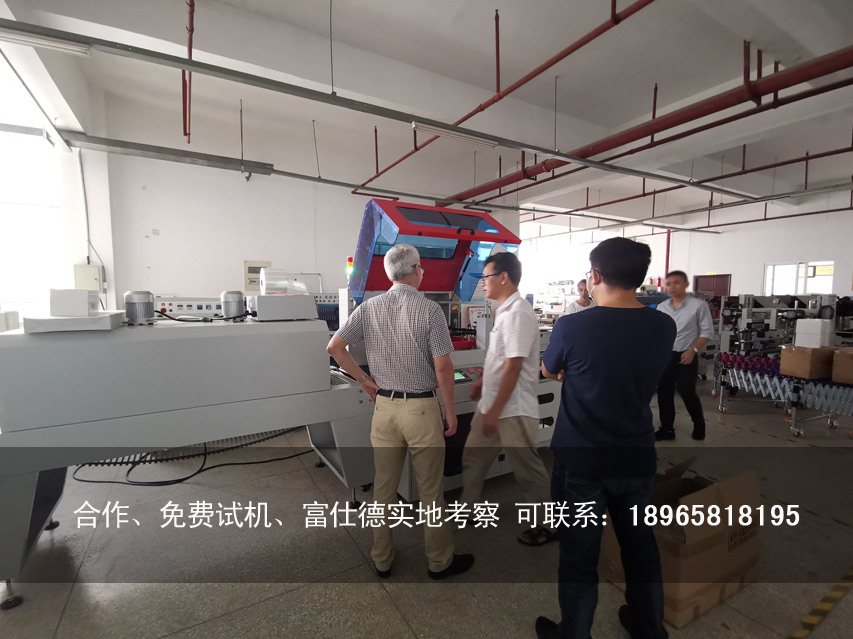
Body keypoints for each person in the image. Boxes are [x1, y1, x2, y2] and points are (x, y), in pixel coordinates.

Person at [535, 237, 676, 639]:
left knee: (579, 556)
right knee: (641, 549)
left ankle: (574, 633)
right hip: (637, 458)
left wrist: (574, 370)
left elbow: (549, 369)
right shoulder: (663, 325)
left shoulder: (573, 325)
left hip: (583, 463)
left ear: (595, 275)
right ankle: (650, 629)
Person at [326, 244, 474, 580]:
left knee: (383, 488)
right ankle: (440, 562)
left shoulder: (368, 308)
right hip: (421, 410)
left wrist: (364, 380)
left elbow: (334, 347)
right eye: (421, 268)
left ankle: (382, 559)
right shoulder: (430, 310)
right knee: (431, 491)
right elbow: (443, 367)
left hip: (385, 409)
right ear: (417, 270)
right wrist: (450, 411)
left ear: (389, 273)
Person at [460, 251, 554, 547]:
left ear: (503, 277)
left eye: (486, 276)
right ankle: (469, 509)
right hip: (493, 406)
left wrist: (495, 410)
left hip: (513, 410)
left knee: (527, 470)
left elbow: (514, 366)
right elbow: (500, 359)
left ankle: (546, 525)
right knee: (473, 457)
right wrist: (482, 382)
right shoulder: (504, 311)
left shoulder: (518, 313)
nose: (483, 282)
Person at [654, 270, 715, 442]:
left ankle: (699, 425)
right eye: (669, 283)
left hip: (686, 354)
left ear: (686, 285)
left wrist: (693, 350)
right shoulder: (662, 307)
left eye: (677, 283)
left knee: (686, 391)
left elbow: (707, 332)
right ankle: (667, 429)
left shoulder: (699, 306)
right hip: (666, 355)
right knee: (664, 392)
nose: (672, 286)